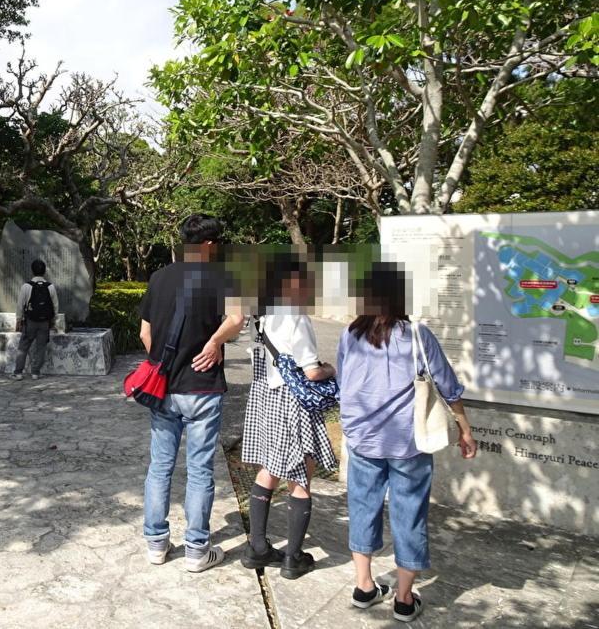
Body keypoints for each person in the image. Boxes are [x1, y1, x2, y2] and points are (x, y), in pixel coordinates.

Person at [336, 263, 476, 623]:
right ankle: (403, 598)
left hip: (364, 440)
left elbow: (343, 384)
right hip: (408, 442)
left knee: (363, 509)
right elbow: (447, 385)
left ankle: (364, 586)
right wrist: (464, 428)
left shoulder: (349, 335)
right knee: (408, 514)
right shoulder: (416, 335)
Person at [138, 213, 244, 573]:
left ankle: (156, 543)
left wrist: (163, 365)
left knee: (160, 467)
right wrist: (214, 342)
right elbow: (237, 319)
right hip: (202, 388)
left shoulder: (160, 277)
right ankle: (197, 549)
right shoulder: (223, 277)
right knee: (199, 470)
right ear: (210, 245)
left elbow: (145, 334)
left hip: (165, 389)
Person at [240, 252, 338, 579]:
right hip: (293, 404)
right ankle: (293, 558)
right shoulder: (296, 316)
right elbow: (310, 372)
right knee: (300, 474)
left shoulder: (263, 315)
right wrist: (330, 369)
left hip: (267, 398)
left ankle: (257, 547)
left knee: (269, 467)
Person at [14, 259, 59, 380]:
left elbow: (20, 305)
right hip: (44, 322)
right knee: (41, 347)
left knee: (23, 346)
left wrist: (19, 320)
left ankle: (18, 373)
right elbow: (55, 306)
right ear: (44, 271)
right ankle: (35, 372)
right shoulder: (50, 287)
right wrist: (53, 321)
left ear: (32, 271)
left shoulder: (26, 286)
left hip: (30, 322)